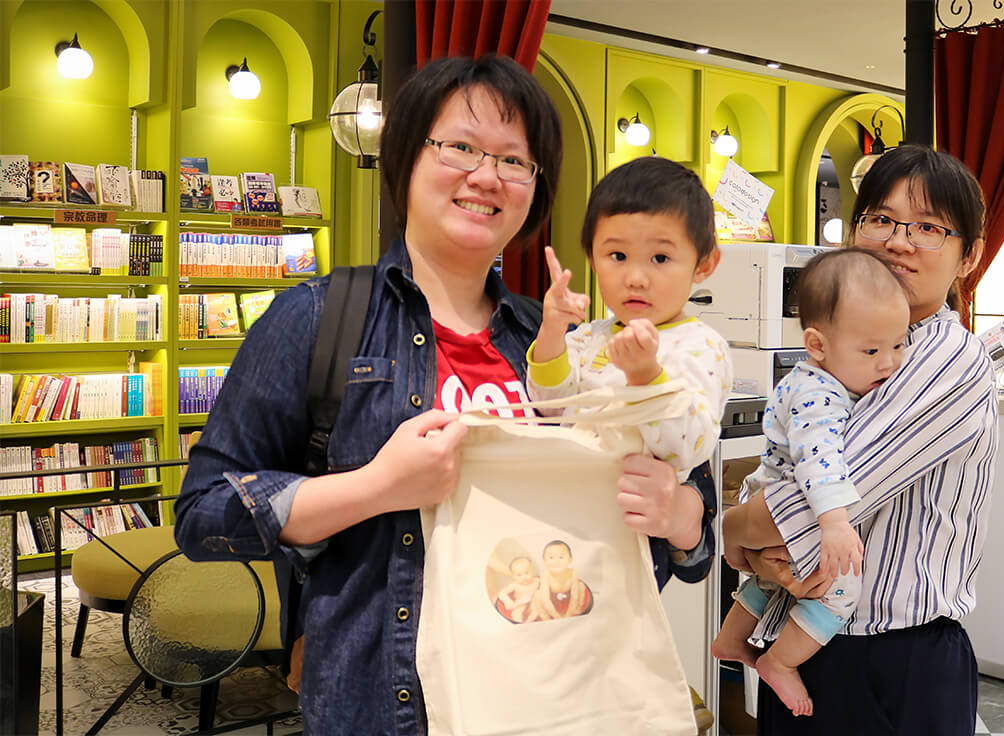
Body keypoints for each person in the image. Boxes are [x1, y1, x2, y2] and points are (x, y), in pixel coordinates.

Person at [173, 55, 716, 733]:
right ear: (406, 158)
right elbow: (202, 514)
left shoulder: (558, 343)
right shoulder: (320, 316)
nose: (486, 176)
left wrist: (683, 514)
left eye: (514, 160)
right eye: (460, 146)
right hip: (382, 705)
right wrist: (376, 486)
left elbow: (676, 522)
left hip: (552, 699)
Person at [722, 144, 999, 735]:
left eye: (928, 227)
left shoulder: (946, 358)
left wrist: (733, 529)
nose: (899, 240)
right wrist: (751, 525)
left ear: (969, 256)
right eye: (881, 219)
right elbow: (783, 459)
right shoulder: (842, 350)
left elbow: (805, 504)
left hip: (892, 664)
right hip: (804, 638)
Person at [711, 248, 909, 717]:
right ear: (818, 345)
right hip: (788, 502)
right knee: (841, 590)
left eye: (899, 345)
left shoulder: (816, 378)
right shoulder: (819, 395)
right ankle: (779, 662)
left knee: (771, 579)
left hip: (765, 494)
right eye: (872, 351)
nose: (890, 364)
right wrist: (835, 522)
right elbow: (821, 462)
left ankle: (731, 638)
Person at [525, 156, 730, 481]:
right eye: (617, 256)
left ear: (703, 265)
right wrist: (552, 329)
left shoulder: (702, 346)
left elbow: (689, 448)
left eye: (660, 258)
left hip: (634, 519)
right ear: (592, 258)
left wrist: (646, 375)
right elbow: (550, 406)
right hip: (566, 503)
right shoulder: (589, 336)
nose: (635, 277)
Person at [530, 539, 595, 619]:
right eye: (551, 557)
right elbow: (545, 599)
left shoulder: (573, 573)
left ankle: (576, 609)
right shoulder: (546, 576)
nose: (556, 561)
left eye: (561, 557)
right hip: (551, 600)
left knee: (581, 586)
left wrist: (568, 614)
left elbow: (575, 595)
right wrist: (556, 616)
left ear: (570, 560)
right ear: (545, 561)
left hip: (568, 598)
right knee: (538, 595)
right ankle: (545, 615)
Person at [495, 556, 541, 624]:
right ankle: (519, 623)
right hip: (520, 603)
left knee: (536, 610)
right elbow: (502, 593)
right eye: (519, 575)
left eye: (526, 573)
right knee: (517, 613)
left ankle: (529, 622)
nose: (524, 577)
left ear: (532, 571)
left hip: (534, 602)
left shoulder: (536, 581)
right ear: (513, 576)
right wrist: (508, 601)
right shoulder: (515, 585)